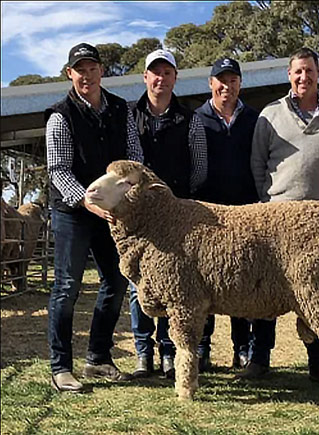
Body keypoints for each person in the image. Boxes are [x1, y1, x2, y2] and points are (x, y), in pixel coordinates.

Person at [251, 47, 319, 382]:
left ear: (318, 73)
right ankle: (259, 359)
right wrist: (270, 201)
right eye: (297, 71)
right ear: (289, 74)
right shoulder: (270, 114)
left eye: (309, 70)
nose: (303, 77)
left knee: (318, 293)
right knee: (263, 289)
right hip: (275, 220)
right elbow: (258, 164)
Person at [45, 42, 144, 392]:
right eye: (79, 69)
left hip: (111, 212)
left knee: (116, 281)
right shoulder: (60, 115)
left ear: (102, 71)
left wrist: (126, 197)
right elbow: (58, 169)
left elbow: (134, 157)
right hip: (73, 211)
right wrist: (84, 199)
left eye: (91, 68)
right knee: (67, 286)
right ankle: (61, 367)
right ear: (69, 74)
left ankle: (98, 358)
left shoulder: (122, 110)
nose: (86, 75)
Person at [128, 48, 212, 379]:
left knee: (175, 286)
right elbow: (129, 163)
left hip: (178, 216)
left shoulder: (191, 120)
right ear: (145, 77)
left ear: (175, 78)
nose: (161, 78)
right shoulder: (129, 116)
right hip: (139, 217)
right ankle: (142, 353)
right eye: (155, 72)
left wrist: (178, 201)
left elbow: (200, 167)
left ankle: (168, 351)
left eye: (167, 73)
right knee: (140, 283)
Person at [194, 57, 275, 376]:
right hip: (207, 213)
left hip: (246, 211)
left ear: (241, 83)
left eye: (233, 80)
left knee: (243, 280)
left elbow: (263, 160)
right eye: (221, 80)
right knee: (204, 282)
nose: (227, 86)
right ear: (211, 83)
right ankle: (202, 348)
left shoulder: (254, 119)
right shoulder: (196, 119)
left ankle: (243, 349)